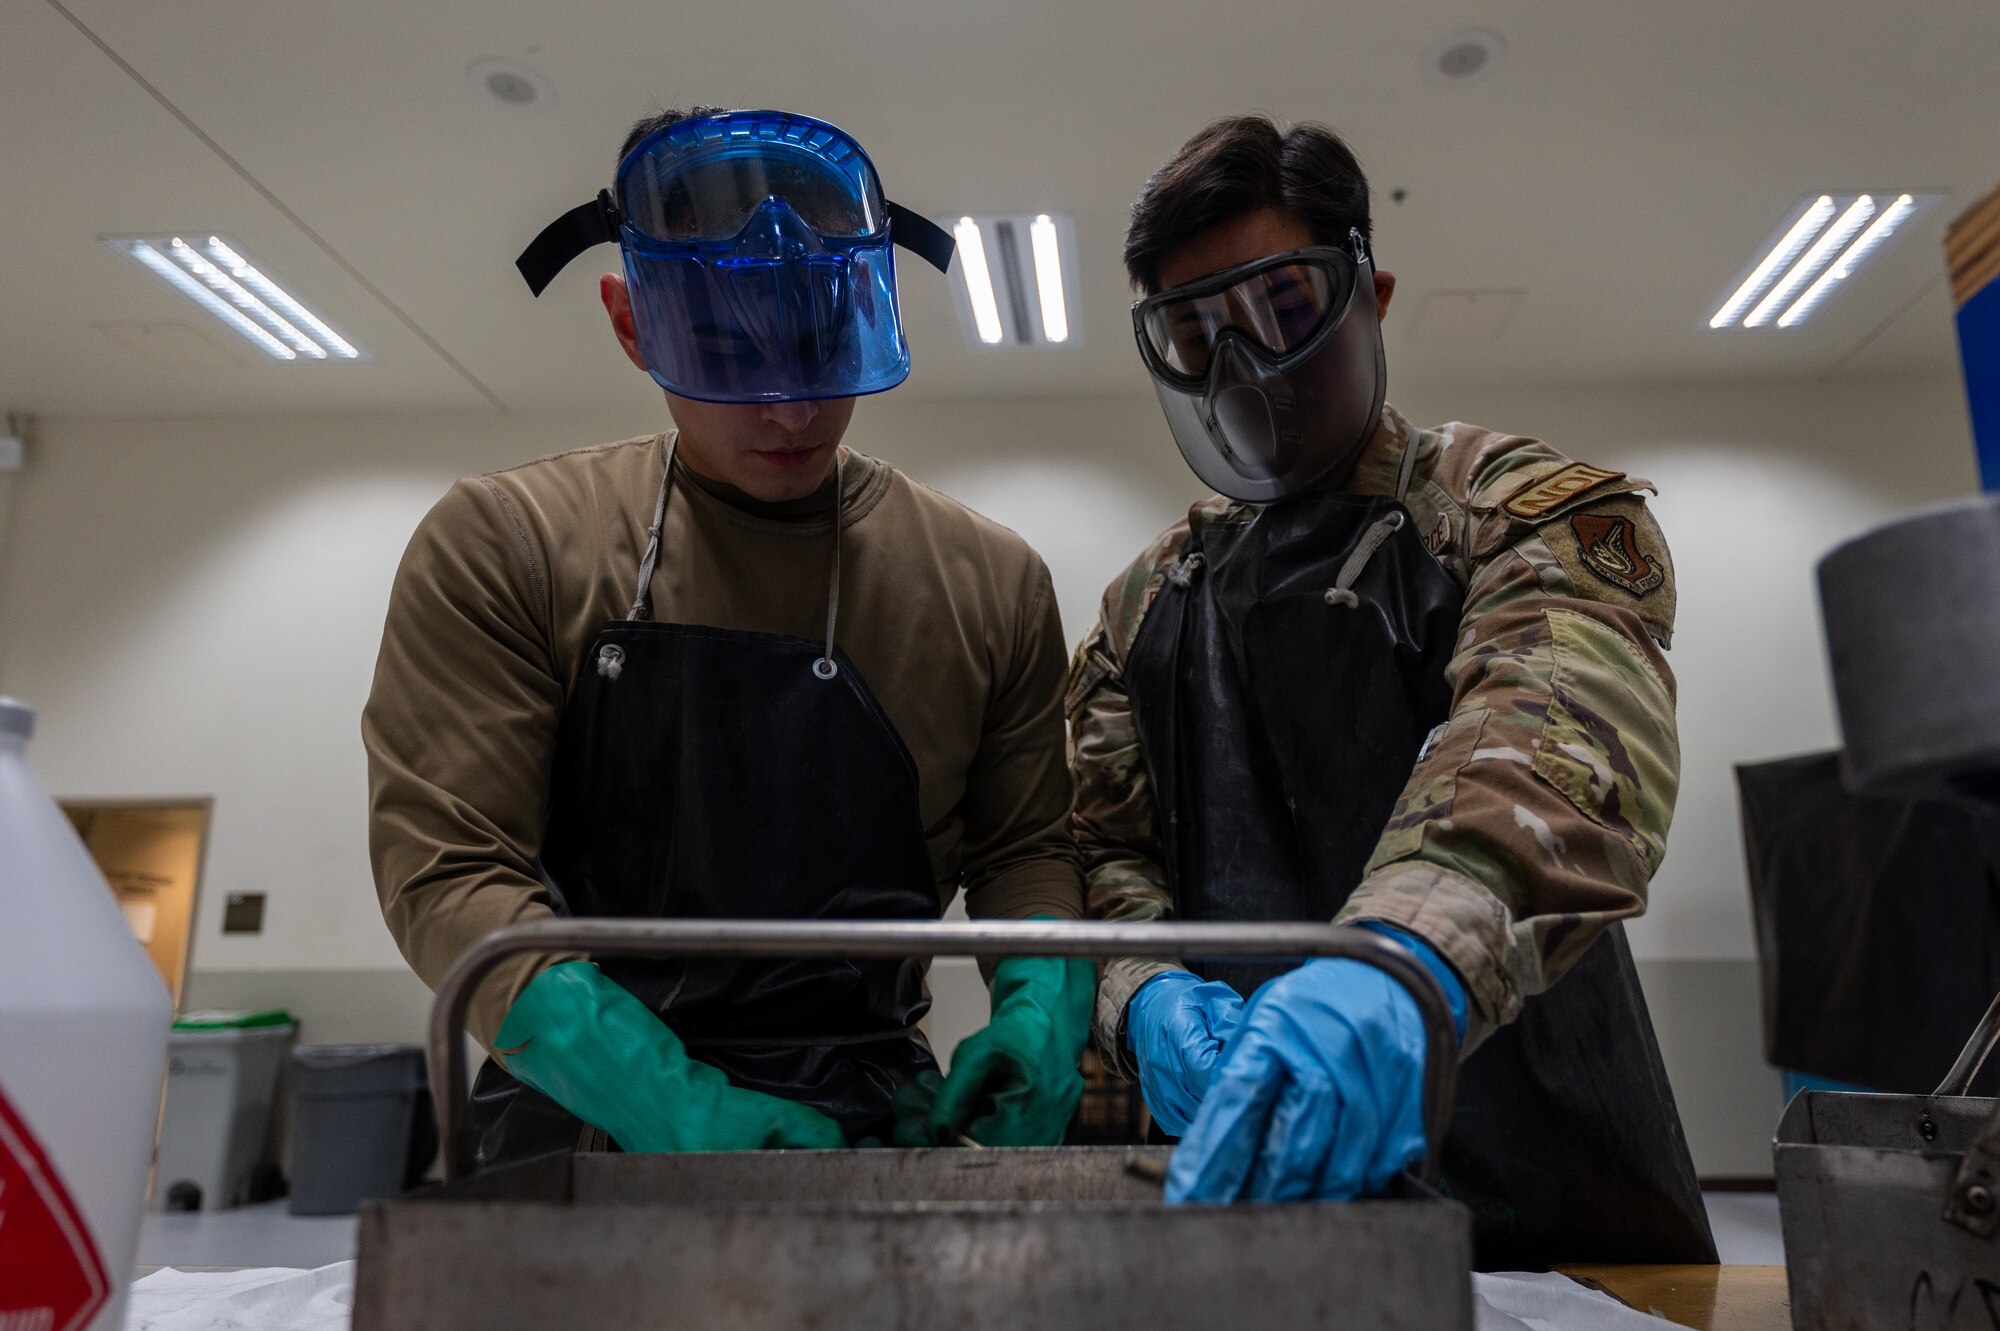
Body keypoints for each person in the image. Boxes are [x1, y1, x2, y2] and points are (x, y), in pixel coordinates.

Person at [364, 107, 1092, 1169]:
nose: (791, 407)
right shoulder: (508, 543)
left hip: (878, 1125)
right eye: (724, 351)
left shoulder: (988, 579)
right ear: (630, 321)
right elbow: (449, 871)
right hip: (578, 1124)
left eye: (820, 344)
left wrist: (1041, 1006)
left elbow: (1023, 847)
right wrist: (657, 1095)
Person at [1069, 115, 1716, 1265]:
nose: (1244, 366)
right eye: (1194, 332)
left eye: (1282, 307)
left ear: (1371, 291)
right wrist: (1143, 989)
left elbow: (1550, 740)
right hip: (1262, 1185)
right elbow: (1103, 857)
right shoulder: (1139, 612)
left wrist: (1401, 972)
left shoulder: (1519, 511)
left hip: (1553, 1206)